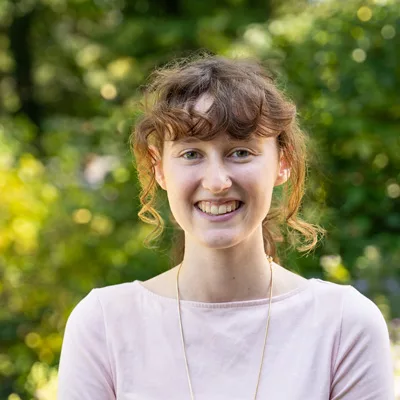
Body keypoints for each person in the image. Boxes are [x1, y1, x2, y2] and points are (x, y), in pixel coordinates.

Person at [57, 55, 394, 399]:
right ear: (159, 169)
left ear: (283, 162)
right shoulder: (104, 324)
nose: (217, 182)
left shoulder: (343, 325)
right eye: (191, 154)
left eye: (240, 152)